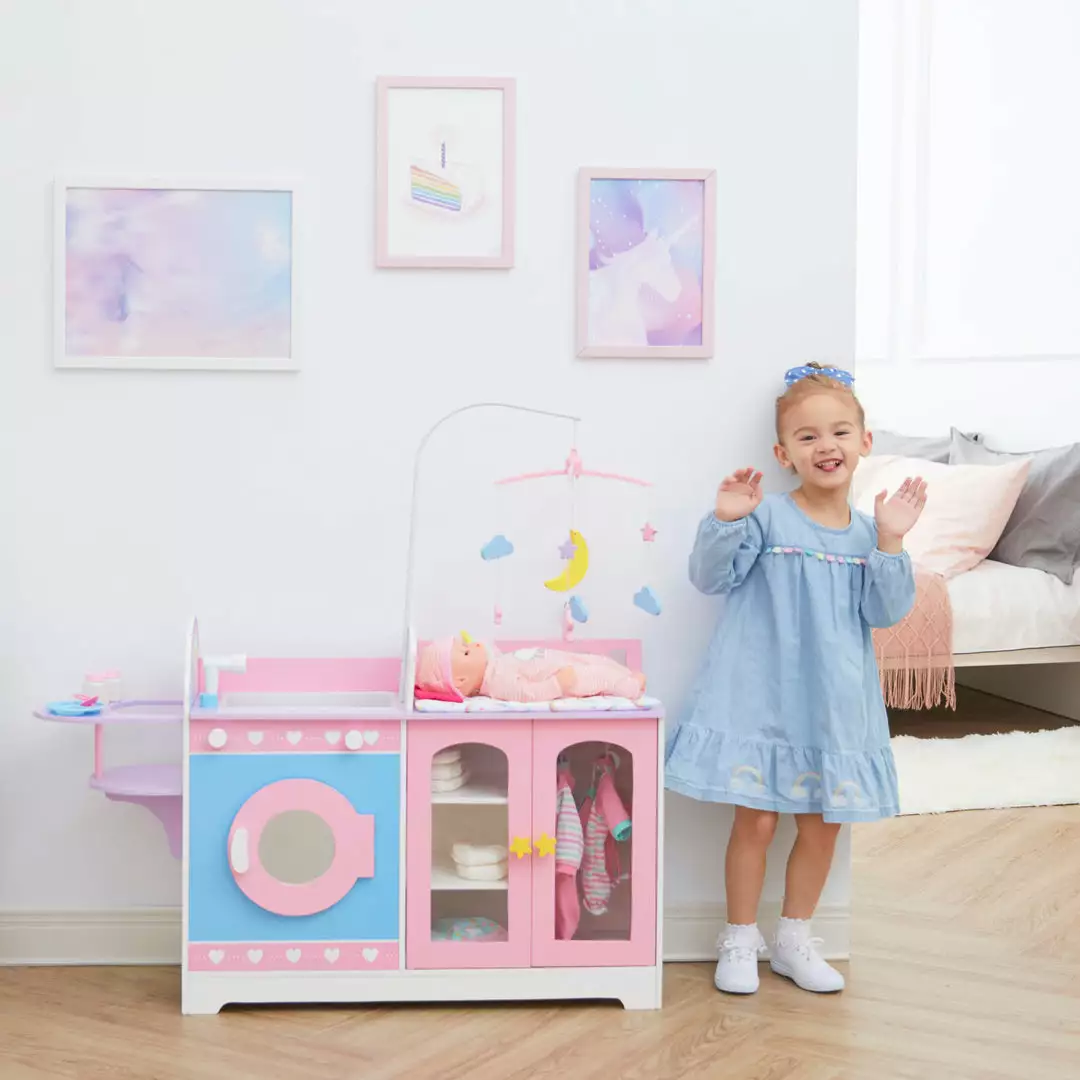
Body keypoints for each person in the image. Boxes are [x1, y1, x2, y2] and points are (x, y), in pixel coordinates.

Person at [665, 363, 927, 995]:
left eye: (839, 432)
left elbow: (886, 611)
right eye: (807, 437)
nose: (825, 446)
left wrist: (892, 542)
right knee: (754, 823)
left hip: (832, 704)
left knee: (820, 824)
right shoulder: (767, 518)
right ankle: (738, 939)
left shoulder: (869, 535)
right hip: (758, 699)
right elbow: (710, 578)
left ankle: (794, 939)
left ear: (865, 442)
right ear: (784, 454)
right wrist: (727, 519)